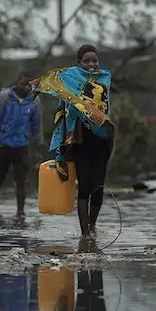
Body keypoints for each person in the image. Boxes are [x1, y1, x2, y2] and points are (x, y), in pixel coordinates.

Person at [32, 44, 114, 240]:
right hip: (80, 139)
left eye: (94, 60)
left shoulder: (105, 78)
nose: (92, 64)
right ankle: (85, 234)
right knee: (85, 186)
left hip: (101, 138)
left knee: (99, 188)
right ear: (79, 63)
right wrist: (37, 87)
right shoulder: (70, 78)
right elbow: (53, 81)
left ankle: (92, 227)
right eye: (87, 61)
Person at [0, 72, 44, 215]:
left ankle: (20, 213)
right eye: (24, 84)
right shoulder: (4, 97)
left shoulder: (34, 101)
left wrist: (38, 147)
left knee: (21, 181)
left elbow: (36, 126)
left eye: (31, 85)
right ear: (17, 83)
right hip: (2, 145)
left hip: (21, 146)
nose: (27, 88)